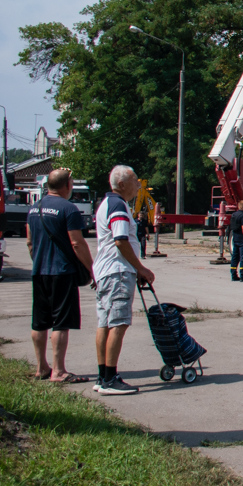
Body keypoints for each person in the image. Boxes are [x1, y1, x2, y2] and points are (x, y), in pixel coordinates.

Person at [27, 167, 95, 383]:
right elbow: (77, 242)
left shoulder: (33, 209)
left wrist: (38, 260)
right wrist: (92, 269)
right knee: (60, 323)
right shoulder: (69, 209)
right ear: (68, 185)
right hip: (62, 272)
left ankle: (41, 368)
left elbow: (30, 243)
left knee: (39, 322)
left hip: (39, 272)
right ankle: (58, 370)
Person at [93, 165, 156, 395]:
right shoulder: (118, 205)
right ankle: (110, 378)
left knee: (105, 323)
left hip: (106, 271)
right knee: (118, 323)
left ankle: (103, 375)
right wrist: (140, 268)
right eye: (134, 181)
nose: (138, 185)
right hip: (117, 271)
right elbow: (121, 240)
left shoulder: (107, 203)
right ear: (121, 184)